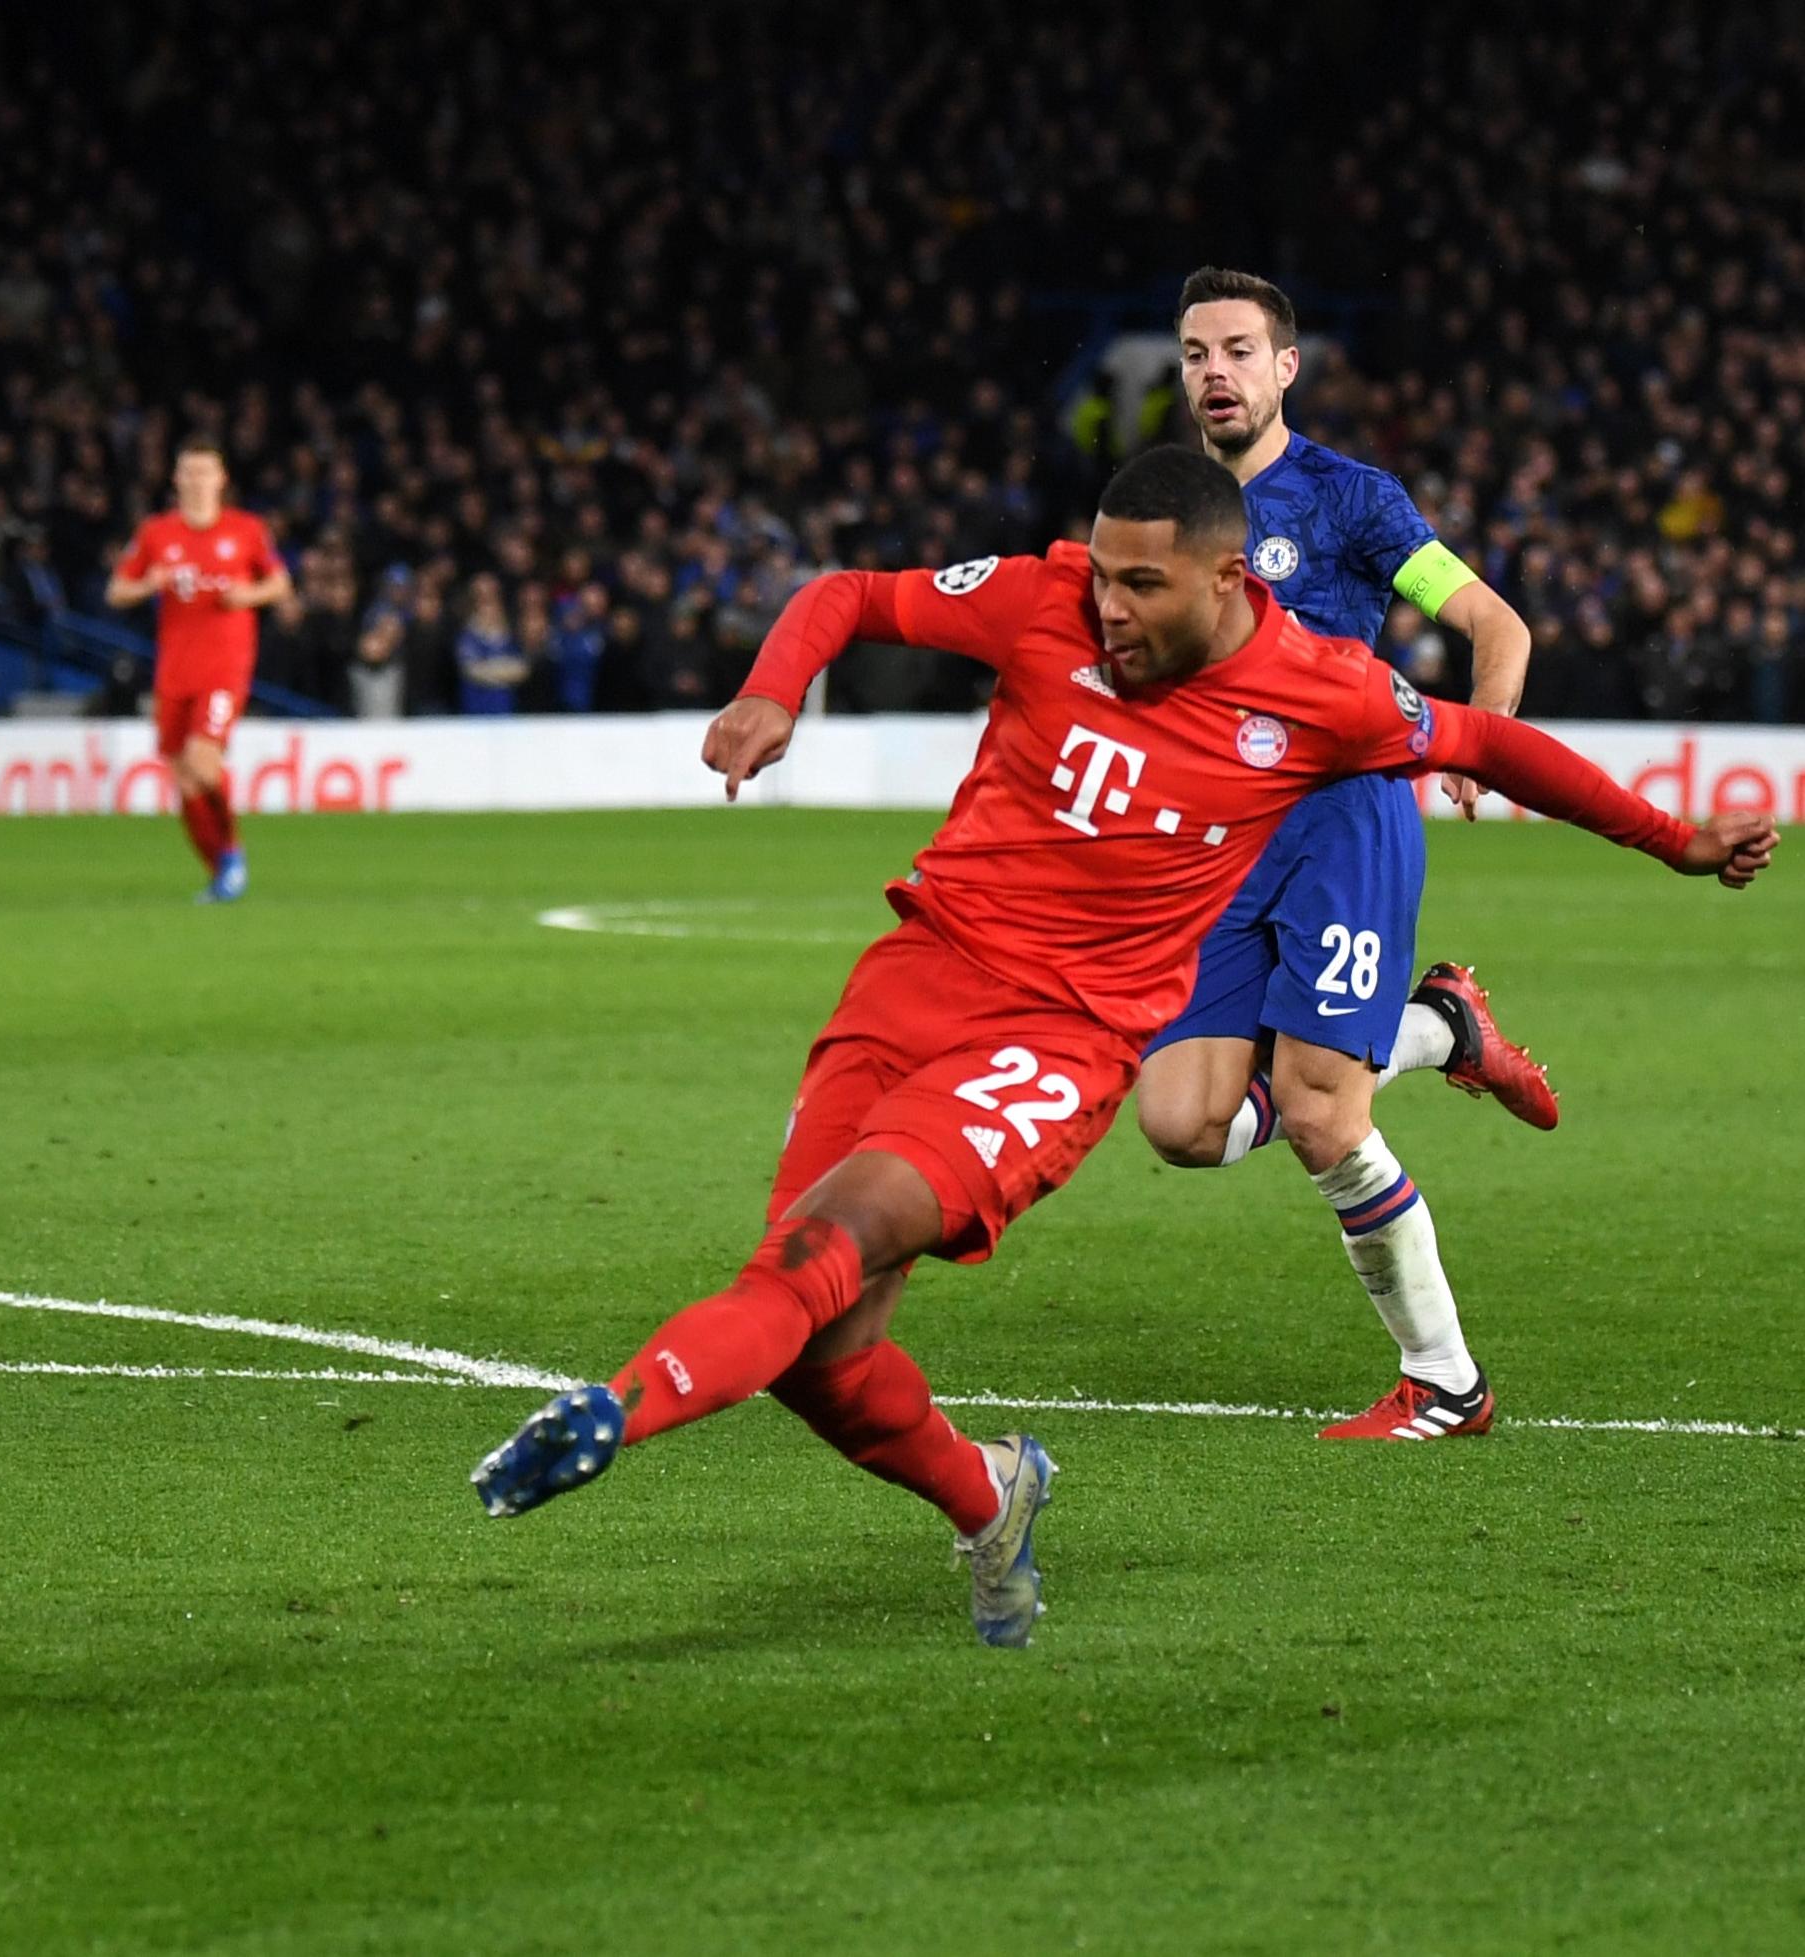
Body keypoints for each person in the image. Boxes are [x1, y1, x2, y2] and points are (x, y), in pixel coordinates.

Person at [470, 447, 1776, 1648]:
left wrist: (1676, 838)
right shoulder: (1038, 598)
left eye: (1138, 585)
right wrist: (770, 691)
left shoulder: (1316, 693)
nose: (1106, 610)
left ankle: (609, 1414)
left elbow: (1490, 741)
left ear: (1224, 578)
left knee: (837, 1237)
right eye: (1100, 576)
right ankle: (987, 1493)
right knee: (818, 1352)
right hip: (911, 984)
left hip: (1059, 1039)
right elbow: (845, 594)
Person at [1133, 268, 1547, 1442]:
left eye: (1235, 351)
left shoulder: (1353, 502)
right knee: (1181, 1125)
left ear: (1283, 369)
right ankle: (1441, 1030)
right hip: (1221, 839)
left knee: (1320, 1117)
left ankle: (1444, 1382)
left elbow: (1491, 624)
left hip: (1341, 821)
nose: (1213, 371)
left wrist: (1488, 737)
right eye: (1193, 353)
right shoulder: (1162, 512)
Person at [105, 440, 289, 902]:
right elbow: (116, 592)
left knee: (203, 764)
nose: (196, 480)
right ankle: (221, 868)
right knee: (184, 778)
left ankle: (233, 852)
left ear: (221, 479)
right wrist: (149, 584)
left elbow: (279, 582)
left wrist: (246, 596)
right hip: (175, 671)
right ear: (176, 479)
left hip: (225, 668)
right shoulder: (156, 533)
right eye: (188, 472)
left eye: (205, 472)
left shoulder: (246, 530)